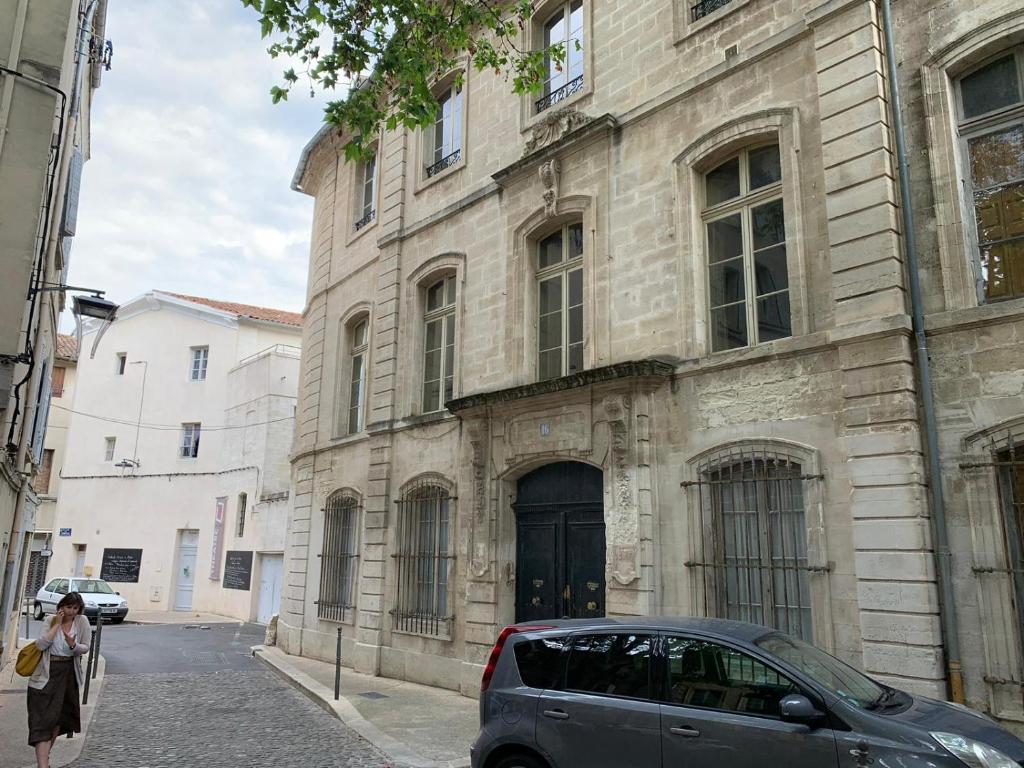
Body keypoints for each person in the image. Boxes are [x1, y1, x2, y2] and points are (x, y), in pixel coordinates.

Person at [26, 592, 90, 768]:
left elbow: (85, 647)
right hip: (46, 675)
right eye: (68, 607)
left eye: (75, 608)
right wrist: (57, 625)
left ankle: (44, 760)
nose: (71, 612)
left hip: (68, 674)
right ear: (61, 607)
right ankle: (43, 765)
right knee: (42, 719)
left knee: (57, 719)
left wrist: (73, 645)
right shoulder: (50, 620)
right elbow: (41, 644)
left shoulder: (82, 622)